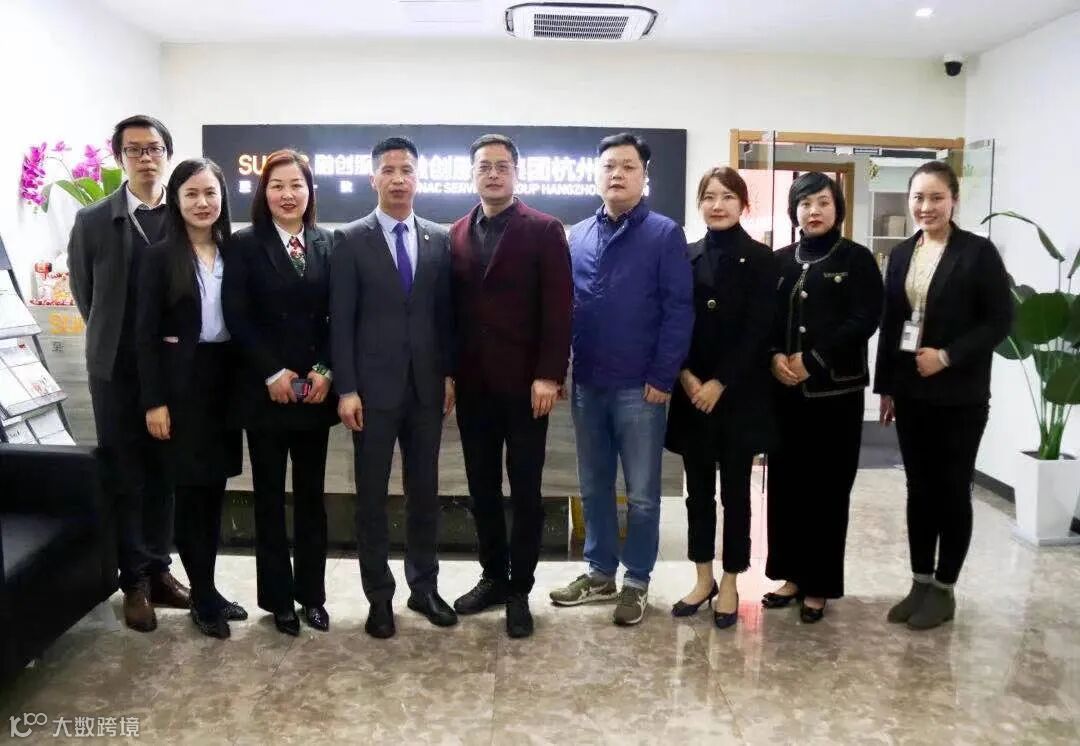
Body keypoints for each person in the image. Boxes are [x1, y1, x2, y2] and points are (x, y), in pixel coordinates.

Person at [549, 132, 693, 626]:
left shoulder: (664, 234)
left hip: (641, 387)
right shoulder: (578, 234)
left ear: (644, 177)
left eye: (628, 166)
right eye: (609, 165)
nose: (617, 174)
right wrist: (559, 369)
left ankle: (636, 581)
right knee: (593, 487)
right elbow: (566, 308)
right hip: (588, 383)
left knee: (642, 495)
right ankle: (600, 573)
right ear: (597, 174)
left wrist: (663, 375)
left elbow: (679, 311)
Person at [875, 161, 1011, 630]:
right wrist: (887, 388)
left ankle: (945, 588)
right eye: (918, 197)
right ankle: (919, 581)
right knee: (919, 489)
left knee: (952, 490)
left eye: (936, 197)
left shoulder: (977, 253)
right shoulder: (901, 253)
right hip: (912, 392)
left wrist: (948, 356)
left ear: (954, 200)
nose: (926, 206)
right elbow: (892, 323)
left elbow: (999, 321)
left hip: (960, 395)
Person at [330, 136, 456, 639]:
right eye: (389, 170)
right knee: (371, 499)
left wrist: (449, 375)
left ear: (418, 178)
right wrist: (346, 388)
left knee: (424, 494)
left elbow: (444, 317)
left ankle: (424, 587)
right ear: (373, 178)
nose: (398, 178)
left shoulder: (439, 238)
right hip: (372, 394)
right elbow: (341, 321)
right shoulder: (349, 239)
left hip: (426, 389)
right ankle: (378, 597)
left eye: (407, 170)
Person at [68, 115, 190, 632]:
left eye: (154, 148)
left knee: (165, 473)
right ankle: (134, 581)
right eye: (134, 150)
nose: (146, 158)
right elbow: (85, 294)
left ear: (167, 154)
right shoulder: (94, 220)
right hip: (115, 369)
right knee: (126, 474)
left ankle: (160, 570)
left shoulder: (184, 214)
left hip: (171, 368)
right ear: (120, 157)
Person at [448, 134, 572, 639]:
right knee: (481, 489)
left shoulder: (544, 229)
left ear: (516, 173)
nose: (493, 174)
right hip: (474, 388)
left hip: (526, 389)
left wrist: (549, 375)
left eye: (502, 166)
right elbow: (453, 313)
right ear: (473, 174)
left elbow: (559, 308)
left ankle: (520, 588)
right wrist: (449, 373)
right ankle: (493, 577)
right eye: (484, 166)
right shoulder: (457, 232)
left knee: (525, 492)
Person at [222, 149, 337, 637]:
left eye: (297, 185)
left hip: (314, 392)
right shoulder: (244, 244)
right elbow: (237, 315)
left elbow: (337, 314)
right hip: (265, 393)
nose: (288, 194)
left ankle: (312, 596)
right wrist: (272, 373)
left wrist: (325, 370)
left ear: (310, 191)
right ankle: (278, 600)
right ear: (263, 192)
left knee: (312, 497)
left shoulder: (327, 242)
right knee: (268, 497)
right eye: (277, 186)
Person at [763, 172, 883, 624]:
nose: (813, 211)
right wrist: (774, 357)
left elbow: (864, 318)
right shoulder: (780, 261)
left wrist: (813, 359)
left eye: (823, 203)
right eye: (805, 203)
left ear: (838, 209)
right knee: (787, 488)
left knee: (827, 491)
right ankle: (791, 576)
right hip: (786, 395)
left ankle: (819, 585)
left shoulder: (856, 259)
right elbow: (766, 320)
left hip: (835, 394)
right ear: (793, 210)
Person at [135, 158, 247, 639]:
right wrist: (154, 401)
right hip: (181, 389)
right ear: (177, 201)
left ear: (223, 198)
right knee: (190, 495)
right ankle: (202, 597)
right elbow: (144, 336)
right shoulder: (159, 257)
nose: (202, 203)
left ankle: (209, 588)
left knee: (214, 491)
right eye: (191, 194)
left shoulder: (234, 251)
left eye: (210, 193)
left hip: (226, 383)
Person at [664, 167, 776, 629]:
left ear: (743, 204)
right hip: (691, 392)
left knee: (735, 494)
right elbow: (672, 320)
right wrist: (687, 376)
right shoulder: (685, 256)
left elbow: (758, 330)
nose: (717, 205)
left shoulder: (762, 259)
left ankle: (731, 581)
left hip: (739, 396)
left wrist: (719, 382)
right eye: (709, 197)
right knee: (698, 495)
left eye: (728, 196)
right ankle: (702, 578)